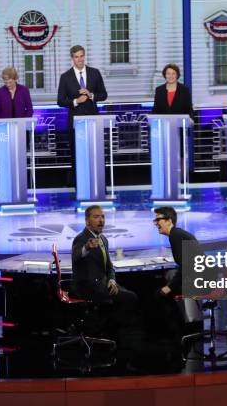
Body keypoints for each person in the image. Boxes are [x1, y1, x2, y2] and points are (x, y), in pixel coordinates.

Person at [71, 205, 138, 335]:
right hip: (87, 286)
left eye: (102, 217)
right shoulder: (81, 238)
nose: (101, 220)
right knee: (130, 298)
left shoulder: (103, 239)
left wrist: (112, 280)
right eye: (96, 217)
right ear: (87, 221)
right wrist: (87, 248)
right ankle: (109, 331)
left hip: (103, 283)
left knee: (129, 295)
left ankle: (109, 330)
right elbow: (77, 256)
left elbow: (109, 267)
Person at [57, 45, 107, 186]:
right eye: (76, 57)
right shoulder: (65, 77)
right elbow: (60, 101)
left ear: (84, 56)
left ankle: (97, 182)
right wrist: (76, 101)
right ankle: (79, 184)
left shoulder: (95, 73)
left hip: (93, 120)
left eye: (81, 56)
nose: (79, 59)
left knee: (94, 153)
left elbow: (103, 94)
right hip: (75, 122)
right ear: (72, 58)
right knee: (76, 154)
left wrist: (91, 95)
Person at [152, 206, 203, 339]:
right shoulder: (177, 234)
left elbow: (187, 266)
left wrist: (169, 287)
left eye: (158, 219)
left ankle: (176, 336)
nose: (156, 223)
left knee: (158, 293)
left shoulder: (176, 236)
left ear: (169, 220)